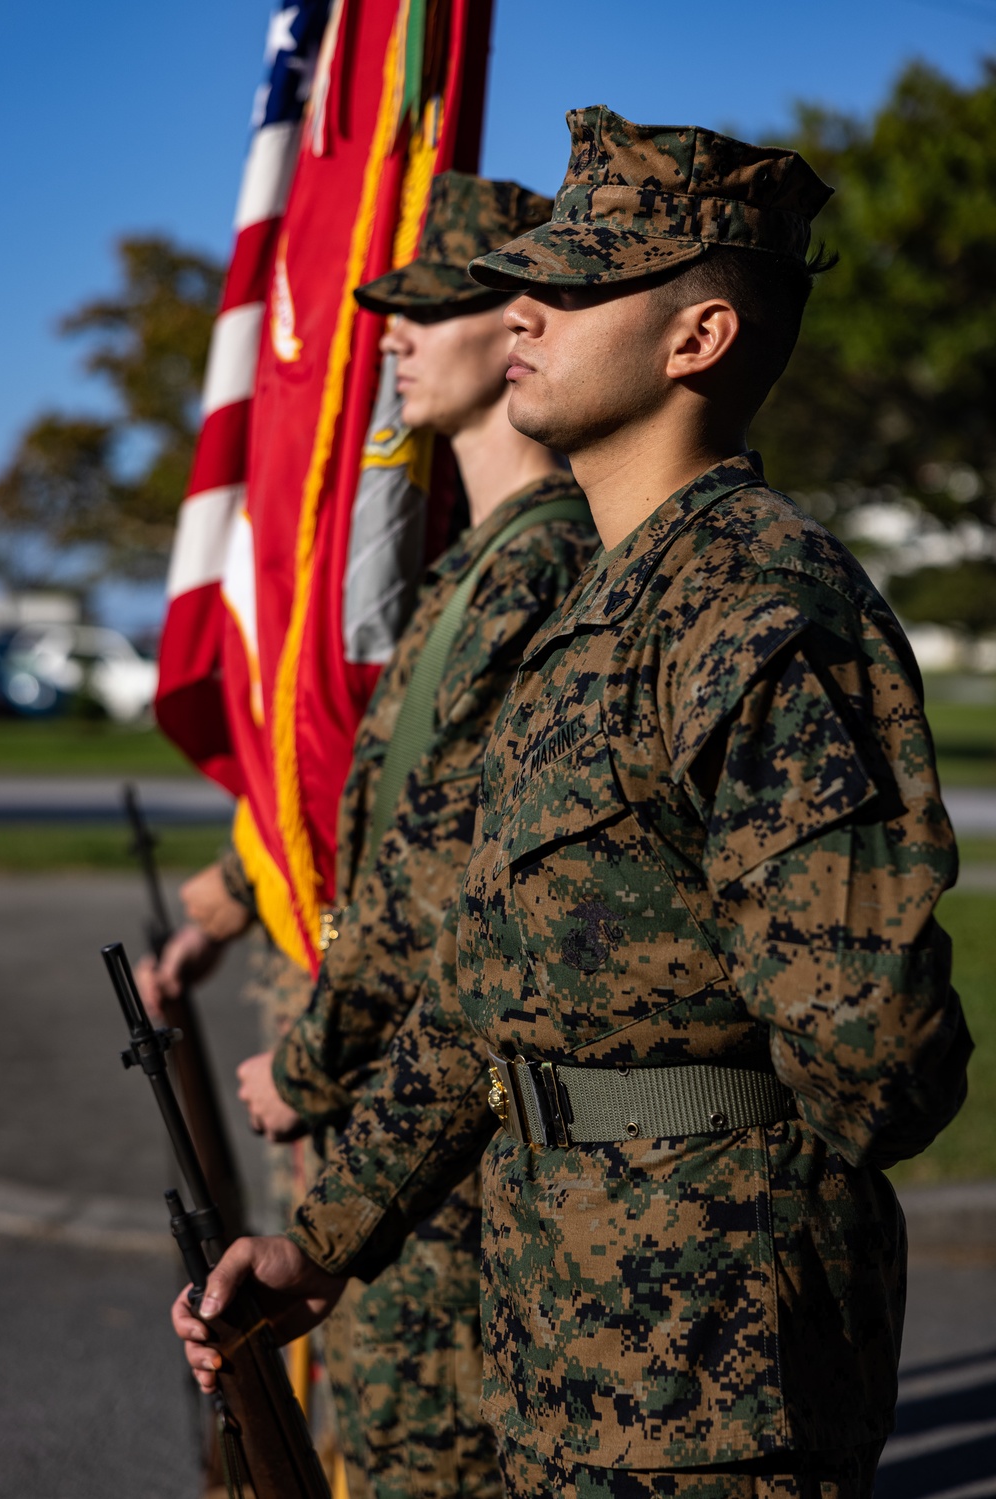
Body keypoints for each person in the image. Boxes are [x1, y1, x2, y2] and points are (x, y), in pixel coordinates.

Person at [174, 109, 971, 1498]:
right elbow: (481, 991)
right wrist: (326, 1244)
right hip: (555, 1347)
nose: (524, 306)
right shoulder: (598, 614)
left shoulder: (759, 611)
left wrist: (721, 1172)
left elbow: (881, 1060)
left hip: (717, 1374)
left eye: (583, 281)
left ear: (697, 338)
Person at [228, 167, 597, 1499]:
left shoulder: (540, 568)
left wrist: (312, 1065)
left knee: (431, 1463)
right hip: (405, 1119)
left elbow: (437, 889)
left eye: (427, 309)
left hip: (445, 1147)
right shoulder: (472, 565)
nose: (388, 336)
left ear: (515, 331)